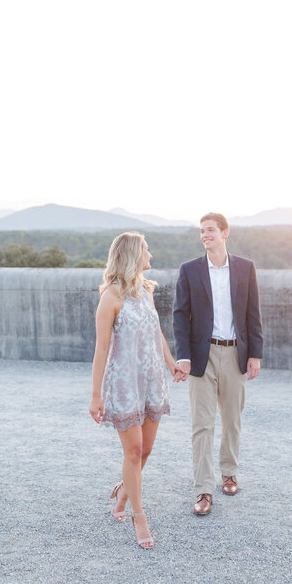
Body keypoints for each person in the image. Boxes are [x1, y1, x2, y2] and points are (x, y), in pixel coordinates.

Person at [89, 231, 179, 548]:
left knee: (148, 450)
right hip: (124, 382)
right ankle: (138, 517)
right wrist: (96, 395)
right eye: (146, 250)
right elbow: (101, 349)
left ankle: (123, 489)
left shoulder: (145, 291)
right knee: (134, 451)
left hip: (152, 378)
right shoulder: (110, 297)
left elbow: (157, 334)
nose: (150, 255)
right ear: (131, 255)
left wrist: (171, 364)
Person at [173, 213, 263, 515]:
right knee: (202, 424)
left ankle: (229, 471)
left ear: (225, 233)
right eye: (202, 231)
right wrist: (182, 356)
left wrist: (255, 354)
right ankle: (203, 489)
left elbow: (253, 313)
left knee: (232, 420)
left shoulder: (245, 268)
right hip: (202, 356)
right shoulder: (189, 270)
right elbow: (179, 315)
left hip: (236, 352)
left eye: (210, 230)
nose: (205, 235)